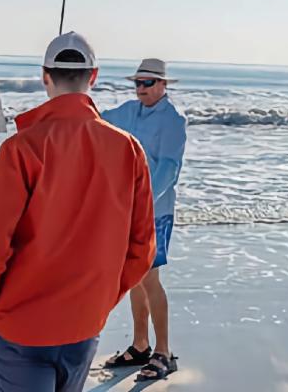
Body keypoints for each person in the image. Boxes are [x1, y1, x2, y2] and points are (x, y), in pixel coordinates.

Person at [0, 32, 155, 392]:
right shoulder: (129, 149)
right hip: (84, 323)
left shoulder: (22, 148)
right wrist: (100, 300)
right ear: (93, 77)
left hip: (18, 325)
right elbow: (141, 248)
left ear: (44, 76)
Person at [101, 58, 188, 382]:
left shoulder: (173, 120)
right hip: (127, 209)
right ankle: (140, 345)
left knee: (150, 279)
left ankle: (163, 353)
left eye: (148, 83)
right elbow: (94, 118)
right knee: (135, 276)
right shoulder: (128, 111)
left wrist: (143, 202)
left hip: (156, 211)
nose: (141, 89)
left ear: (164, 85)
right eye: (138, 83)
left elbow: (169, 168)